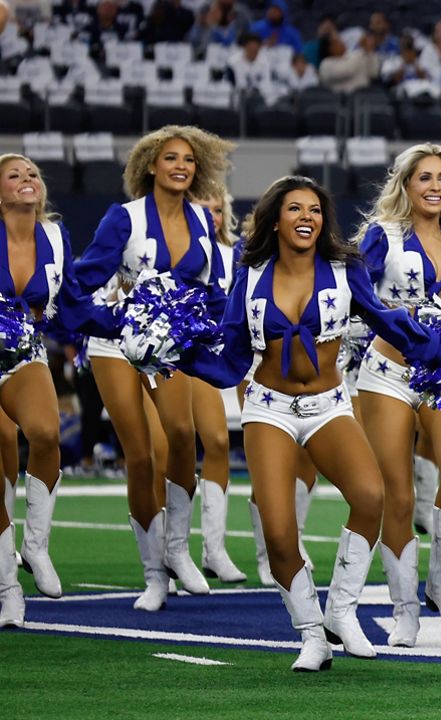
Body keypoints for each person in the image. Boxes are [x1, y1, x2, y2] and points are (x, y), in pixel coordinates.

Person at [180, 175, 438, 671]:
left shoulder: (345, 269)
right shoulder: (250, 273)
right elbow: (233, 359)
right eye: (295, 209)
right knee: (279, 534)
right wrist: (179, 356)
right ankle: (312, 634)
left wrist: (439, 347)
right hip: (270, 408)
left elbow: (386, 321)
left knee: (370, 497)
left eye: (315, 210)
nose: (306, 218)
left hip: (329, 406)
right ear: (275, 219)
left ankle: (342, 610)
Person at [76, 125, 233, 611]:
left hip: (171, 346)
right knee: (141, 455)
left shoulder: (203, 222)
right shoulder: (122, 218)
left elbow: (214, 286)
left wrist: (201, 324)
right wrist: (114, 317)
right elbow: (83, 282)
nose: (180, 166)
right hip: (116, 343)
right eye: (171, 158)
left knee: (183, 437)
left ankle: (179, 549)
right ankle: (153, 576)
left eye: (188, 159)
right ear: (150, 166)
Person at [354, 144, 441, 642]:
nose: (434, 187)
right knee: (399, 495)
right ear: (405, 184)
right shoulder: (381, 236)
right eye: (424, 178)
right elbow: (359, 298)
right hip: (388, 372)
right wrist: (397, 318)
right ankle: (404, 606)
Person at [0, 153, 120, 609]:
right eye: (14, 175)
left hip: (25, 352)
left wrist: (119, 325)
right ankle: (7, 587)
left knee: (47, 433)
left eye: (32, 173)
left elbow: (70, 301)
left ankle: (35, 544)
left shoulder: (55, 235)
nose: (27, 179)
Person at [190, 185, 247, 584]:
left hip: (236, 355)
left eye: (217, 211)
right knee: (189, 443)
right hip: (191, 355)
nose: (212, 218)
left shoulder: (236, 253)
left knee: (226, 441)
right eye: (203, 211)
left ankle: (215, 549)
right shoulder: (180, 252)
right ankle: (174, 549)